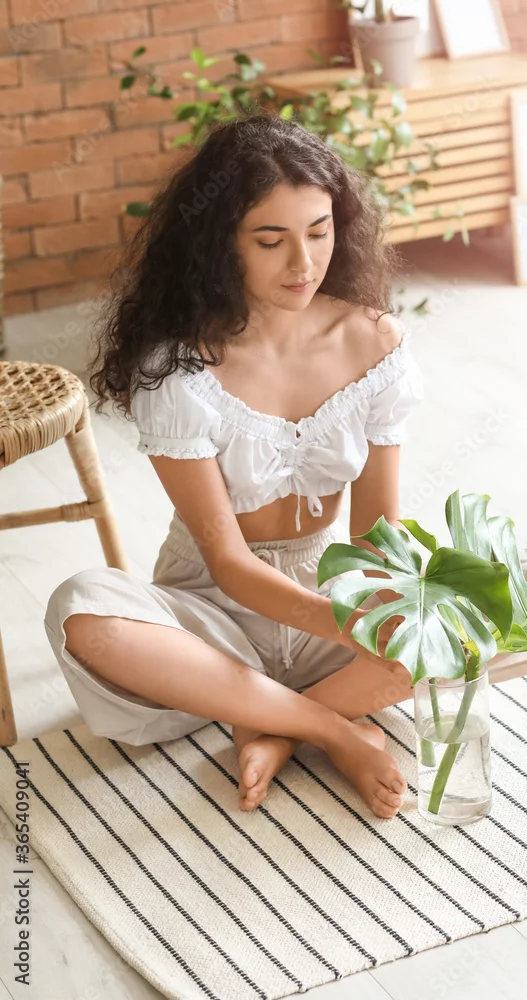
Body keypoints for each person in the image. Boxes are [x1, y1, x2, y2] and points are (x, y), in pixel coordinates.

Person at [44, 111, 425, 820]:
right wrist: (351, 630)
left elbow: (378, 536)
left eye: (319, 232)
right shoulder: (179, 370)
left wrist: (389, 613)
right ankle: (330, 727)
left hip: (329, 596)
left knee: (501, 609)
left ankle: (270, 724)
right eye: (270, 241)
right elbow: (225, 561)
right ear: (222, 244)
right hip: (213, 617)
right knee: (81, 610)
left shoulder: (373, 341)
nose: (302, 263)